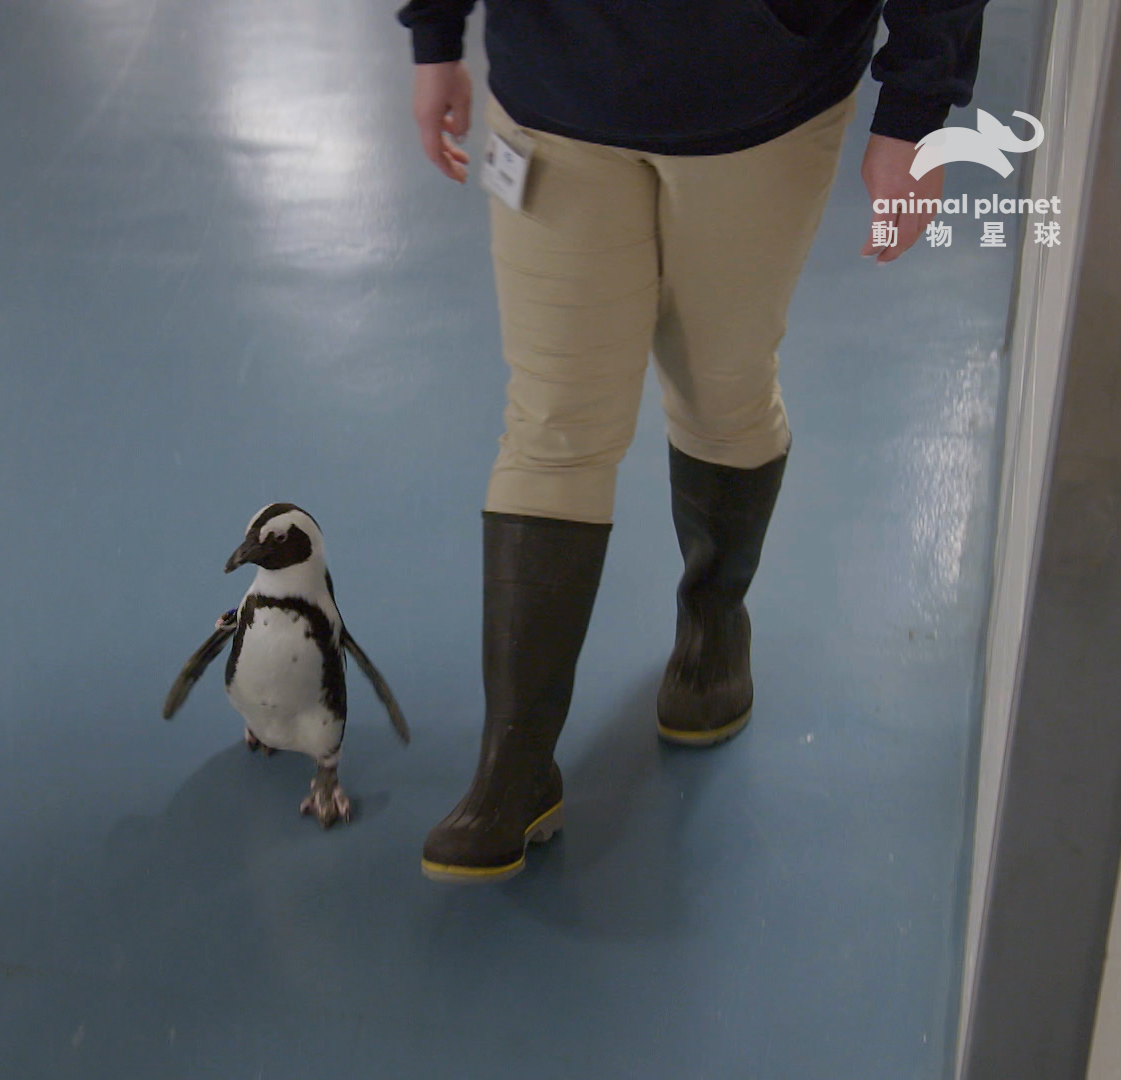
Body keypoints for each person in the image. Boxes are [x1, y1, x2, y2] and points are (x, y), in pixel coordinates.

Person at [400, 0, 987, 883]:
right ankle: (513, 764)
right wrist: (435, 36)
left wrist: (915, 109)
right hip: (552, 88)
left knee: (723, 392)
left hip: (761, 95)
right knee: (553, 423)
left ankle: (713, 625)